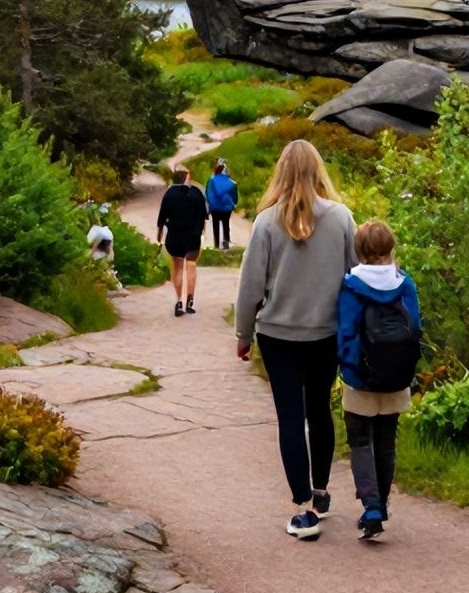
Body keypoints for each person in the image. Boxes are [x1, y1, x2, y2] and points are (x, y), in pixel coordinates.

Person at [234, 140, 356, 541]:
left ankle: (303, 507)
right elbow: (354, 277)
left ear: (281, 172)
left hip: (278, 335)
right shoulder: (341, 219)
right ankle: (321, 492)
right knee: (320, 410)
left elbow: (251, 284)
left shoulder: (267, 222)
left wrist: (243, 333)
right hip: (327, 332)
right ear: (319, 170)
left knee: (290, 415)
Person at [336, 220, 422, 541]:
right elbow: (416, 328)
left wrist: (349, 368)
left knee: (360, 441)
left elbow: (346, 332)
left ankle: (371, 506)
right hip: (397, 377)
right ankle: (382, 504)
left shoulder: (351, 285)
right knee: (386, 443)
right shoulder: (405, 283)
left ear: (360, 251)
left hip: (361, 379)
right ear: (391, 248)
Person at [156, 167, 209, 317]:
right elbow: (204, 218)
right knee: (191, 266)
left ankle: (179, 301)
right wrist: (201, 233)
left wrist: (159, 235)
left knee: (178, 268)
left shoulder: (169, 194)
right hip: (193, 237)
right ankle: (190, 301)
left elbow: (162, 217)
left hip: (175, 236)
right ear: (186, 177)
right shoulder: (197, 193)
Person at [204, 158, 239, 251]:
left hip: (214, 208)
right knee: (226, 224)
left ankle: (216, 245)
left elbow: (207, 193)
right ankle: (226, 242)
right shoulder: (231, 183)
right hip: (226, 208)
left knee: (215, 225)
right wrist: (234, 204)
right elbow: (234, 196)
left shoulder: (211, 181)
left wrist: (210, 204)